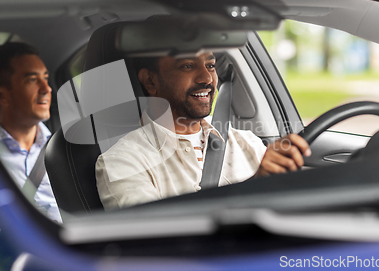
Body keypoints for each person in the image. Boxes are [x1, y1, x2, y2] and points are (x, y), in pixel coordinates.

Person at [95, 52, 311, 210]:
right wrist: (253, 188)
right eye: (187, 65)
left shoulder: (246, 141)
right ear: (150, 80)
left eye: (210, 65)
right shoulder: (121, 162)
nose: (207, 79)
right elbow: (156, 245)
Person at [0, 42, 61, 222]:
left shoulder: (65, 149)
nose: (46, 89)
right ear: (2, 96)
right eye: (32, 80)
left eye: (45, 78)